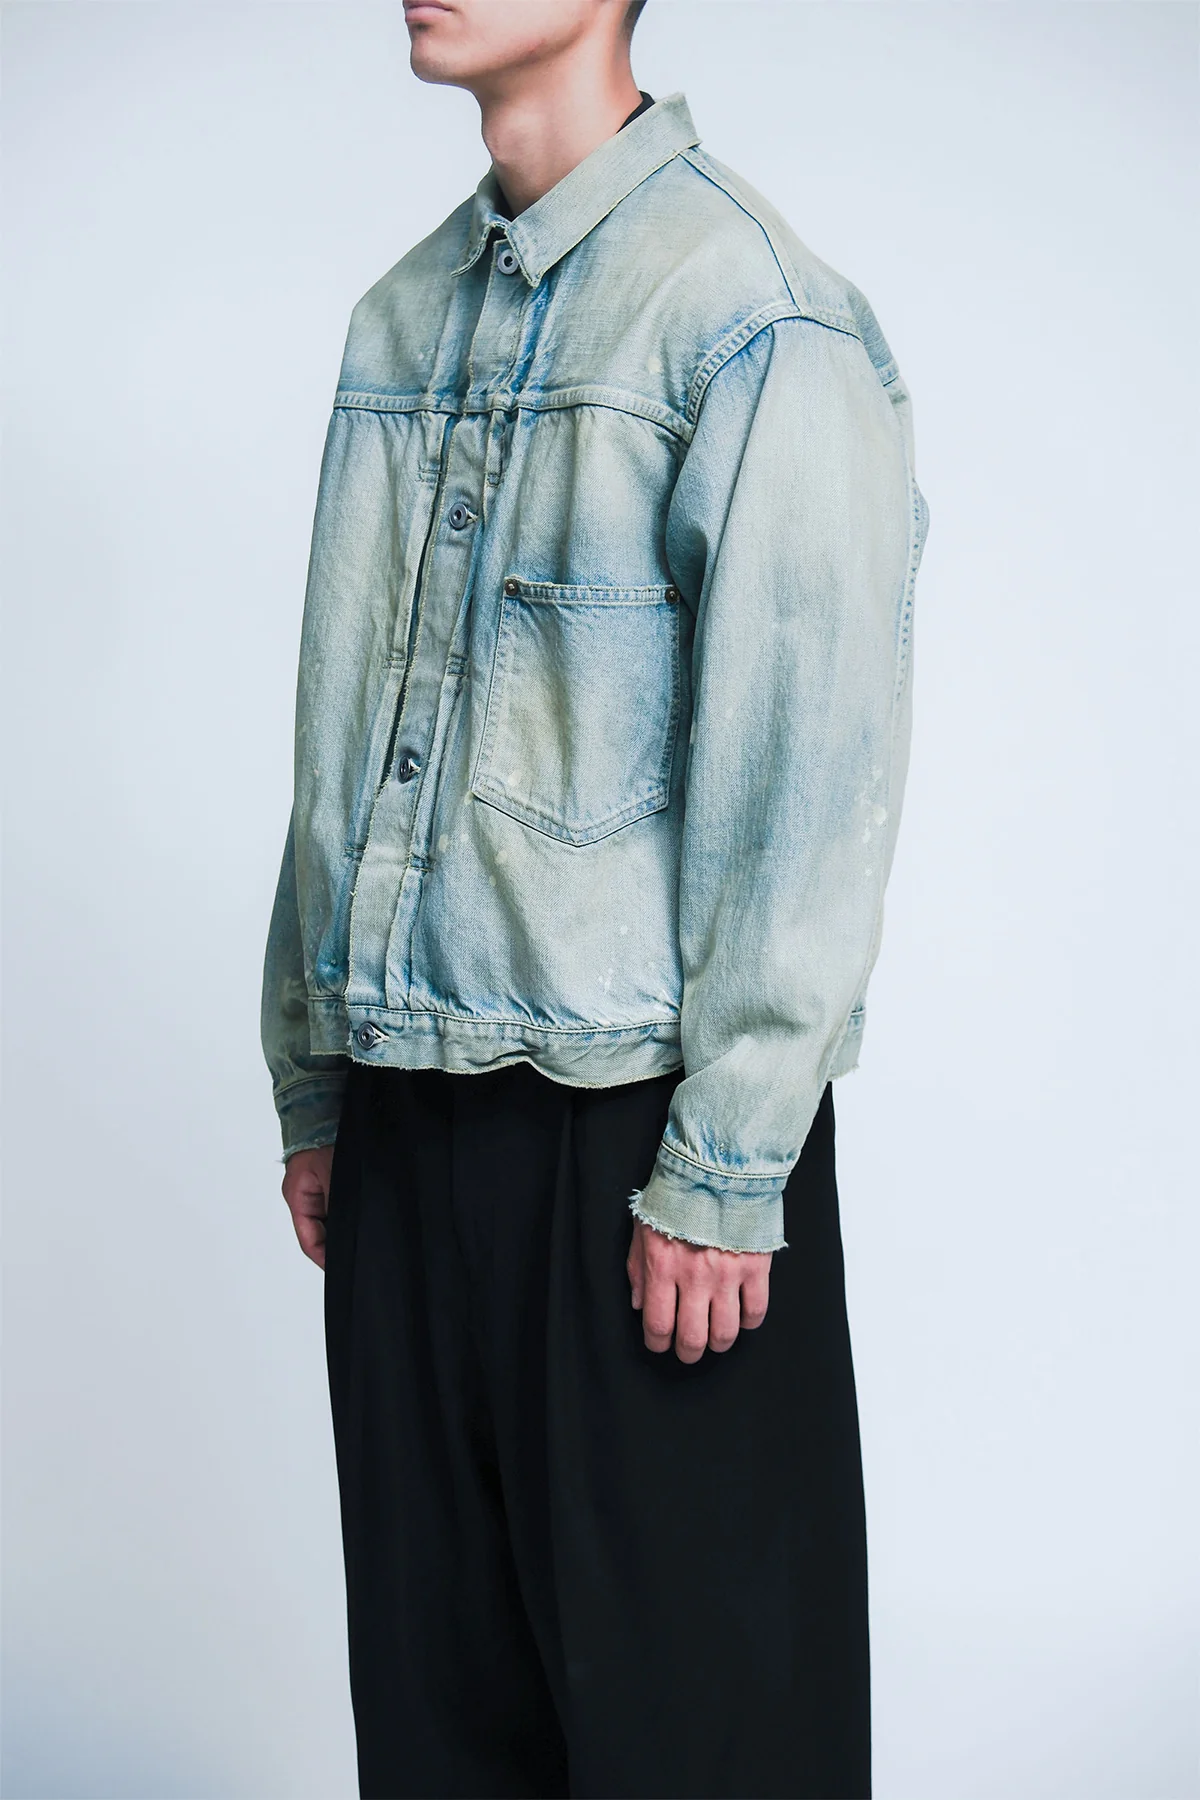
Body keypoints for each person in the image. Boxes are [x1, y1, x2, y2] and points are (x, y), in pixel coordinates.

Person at [260, 1, 928, 1794]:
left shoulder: (754, 315)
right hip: (405, 1124)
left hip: (638, 1150)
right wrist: (317, 1071)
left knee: (705, 1745)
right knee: (442, 1738)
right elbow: (345, 732)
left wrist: (727, 1165)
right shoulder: (399, 321)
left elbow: (807, 772)